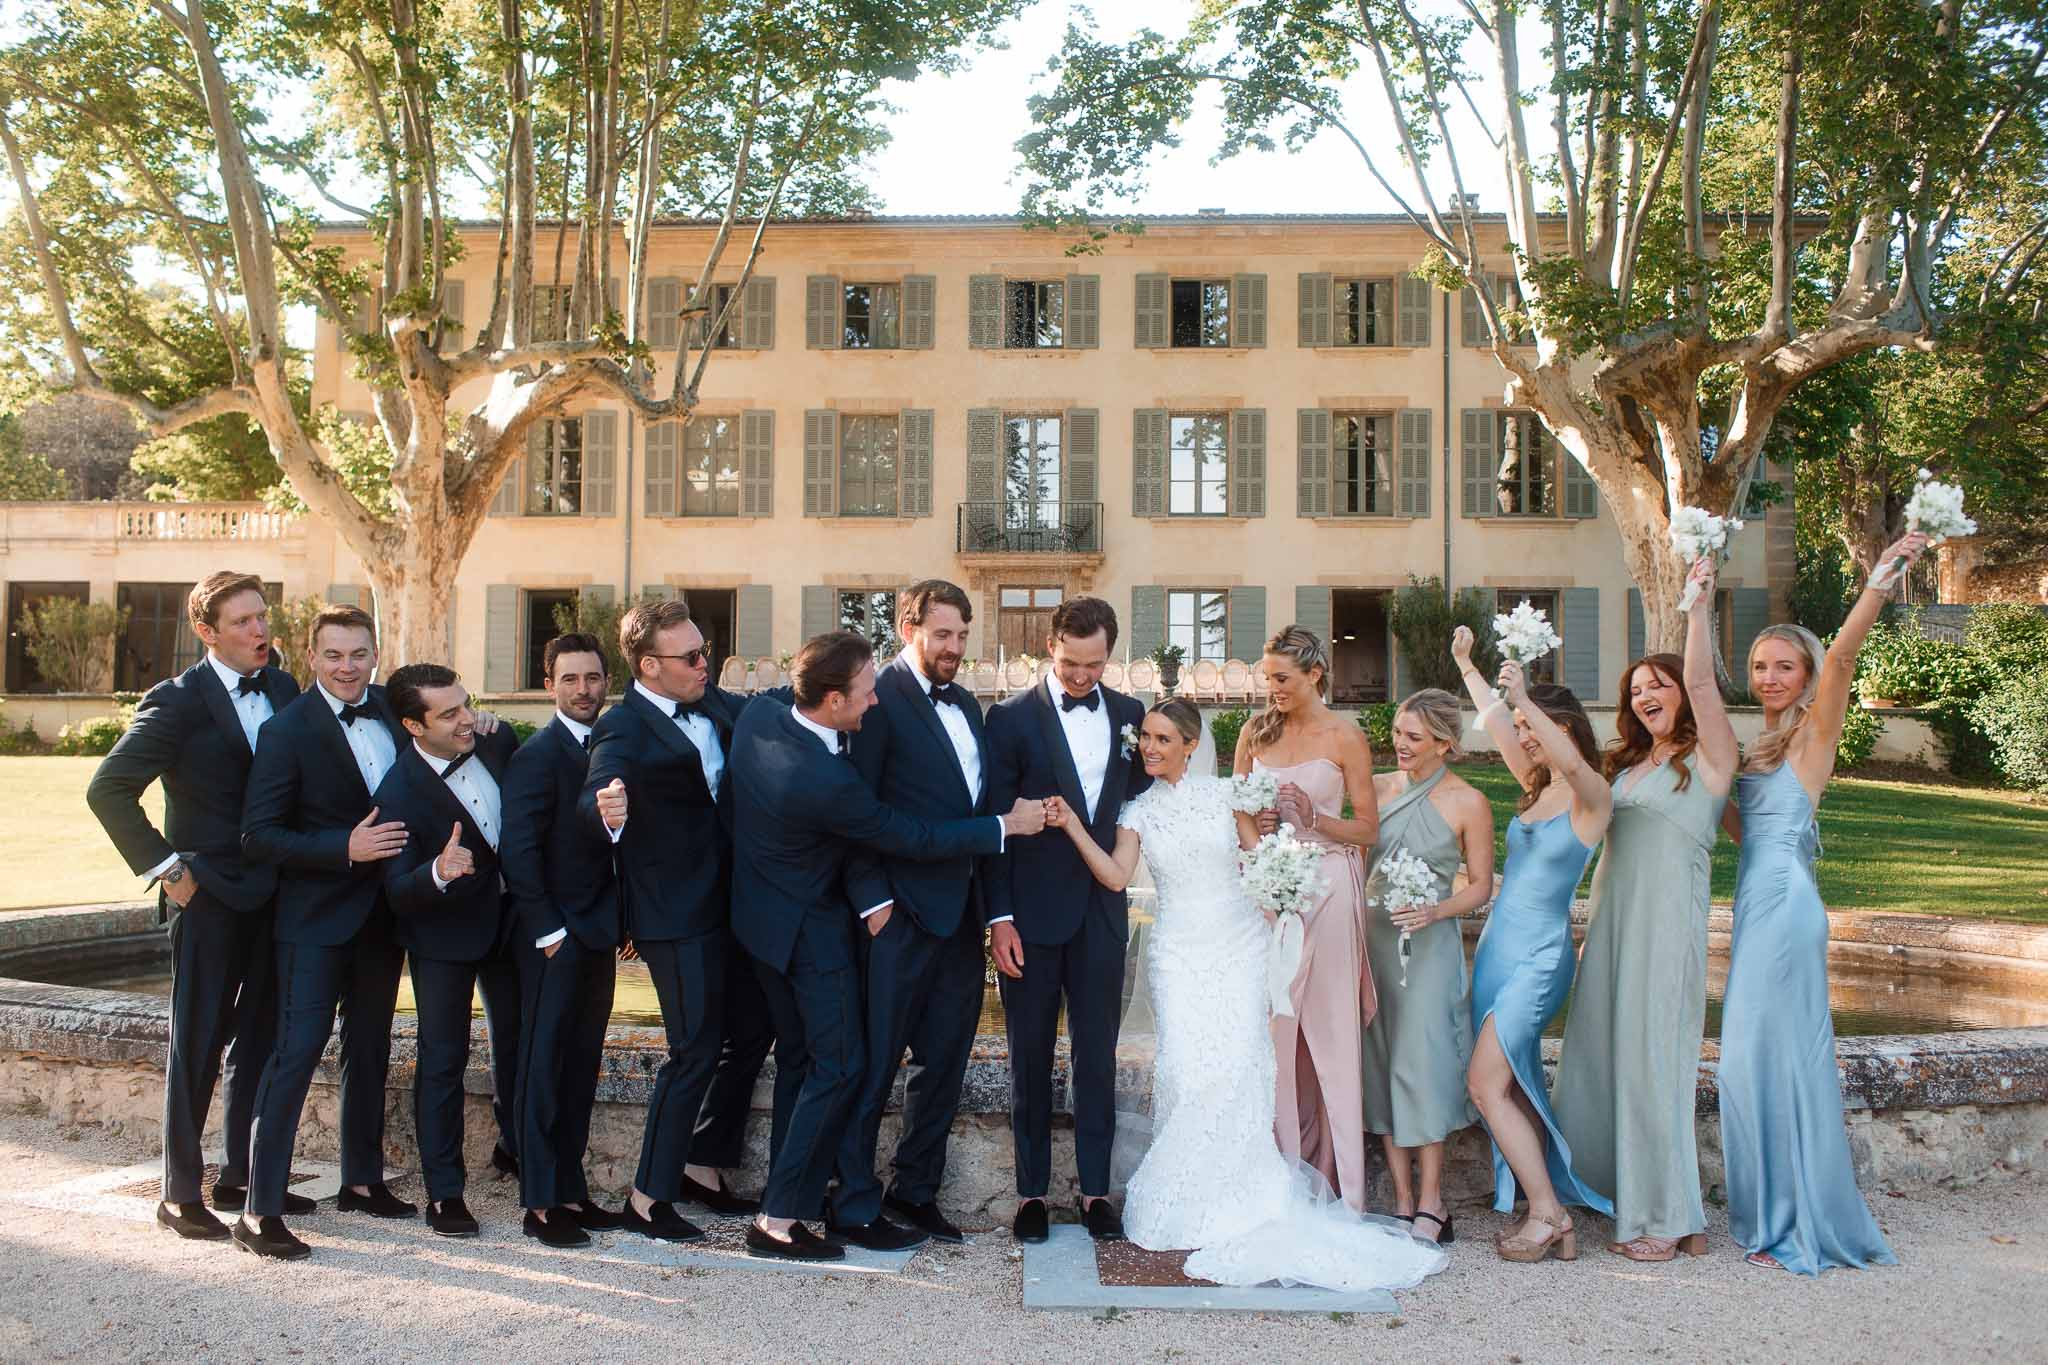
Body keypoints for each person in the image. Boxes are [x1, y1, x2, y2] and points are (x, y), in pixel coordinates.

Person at [1044, 698, 1448, 1292]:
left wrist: (1282, 886)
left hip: (1239, 949)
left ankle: (1246, 1194)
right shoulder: (1137, 811)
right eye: (1145, 739)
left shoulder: (1230, 796)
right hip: (1179, 955)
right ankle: (1191, 1195)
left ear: (1189, 744)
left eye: (1162, 739)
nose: (1149, 749)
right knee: (1189, 1069)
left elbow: (1258, 860)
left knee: (1239, 1068)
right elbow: (1114, 875)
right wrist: (1074, 827)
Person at [728, 631, 1044, 1261]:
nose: (876, 703)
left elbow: (727, 700)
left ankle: (802, 1202)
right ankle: (779, 1218)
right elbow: (911, 835)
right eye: (866, 694)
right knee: (841, 1067)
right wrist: (1004, 826)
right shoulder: (825, 781)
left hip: (758, 920)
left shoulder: (759, 714)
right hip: (808, 932)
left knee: (813, 1061)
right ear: (833, 700)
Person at [1719, 532, 1927, 1275]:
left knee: (1765, 1057)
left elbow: (1843, 658)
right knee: (1749, 1062)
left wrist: (1881, 576)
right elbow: (1744, 831)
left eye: (1784, 666)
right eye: (1759, 666)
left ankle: (1798, 1218)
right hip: (1756, 899)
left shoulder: (1813, 733)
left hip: (1784, 903)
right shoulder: (1761, 744)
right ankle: (1773, 1210)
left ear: (1806, 673)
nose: (1769, 676)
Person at [85, 571, 302, 1240]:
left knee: (265, 1040)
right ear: (207, 632)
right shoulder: (175, 701)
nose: (259, 630)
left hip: (277, 892)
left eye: (262, 617)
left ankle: (244, 1175)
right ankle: (179, 1193)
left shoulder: (285, 687)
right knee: (199, 1042)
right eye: (243, 621)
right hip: (206, 896)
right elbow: (109, 788)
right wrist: (169, 871)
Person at [1551, 557, 1737, 1263]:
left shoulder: (1712, 758)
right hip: (1613, 926)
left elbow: (1698, 678)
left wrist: (1696, 604)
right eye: (1637, 689)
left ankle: (1667, 1209)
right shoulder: (1627, 767)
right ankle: (1629, 1192)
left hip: (1666, 930)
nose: (1648, 694)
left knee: (1657, 1062)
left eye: (1657, 684)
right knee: (1601, 1057)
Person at [580, 597, 766, 1243]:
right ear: (649, 664)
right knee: (691, 1051)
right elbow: (599, 785)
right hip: (672, 915)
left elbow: (777, 722)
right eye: (689, 656)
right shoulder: (624, 726)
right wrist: (606, 807)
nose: (703, 662)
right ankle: (647, 1196)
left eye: (703, 650)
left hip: (732, 906)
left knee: (752, 1030)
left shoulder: (717, 704)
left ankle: (700, 1163)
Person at [236, 604, 415, 1259]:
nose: (347, 666)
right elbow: (258, 834)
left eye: (358, 653)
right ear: (311, 658)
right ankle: (258, 1210)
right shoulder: (287, 730)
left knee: (368, 1049)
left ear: (375, 654)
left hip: (381, 918)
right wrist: (345, 846)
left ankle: (363, 1181)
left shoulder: (394, 714)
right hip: (312, 921)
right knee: (296, 1053)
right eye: (334, 654)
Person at [829, 581, 994, 1247]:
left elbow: (973, 806)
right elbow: (853, 806)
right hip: (895, 916)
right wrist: (874, 904)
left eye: (961, 634)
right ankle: (852, 1201)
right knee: (874, 1062)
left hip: (958, 917)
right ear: (909, 628)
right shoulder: (879, 698)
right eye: (942, 635)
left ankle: (916, 1189)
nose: (954, 648)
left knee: (944, 1062)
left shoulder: (972, 705)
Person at [982, 596, 1151, 1244]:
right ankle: (1030, 1192)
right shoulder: (1011, 718)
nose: (1083, 676)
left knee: (1097, 1058)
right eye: (1072, 663)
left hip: (1102, 914)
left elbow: (1140, 803)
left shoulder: (1132, 716)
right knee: (1028, 1056)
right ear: (1050, 646)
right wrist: (998, 918)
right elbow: (996, 825)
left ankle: (1095, 1191)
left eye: (1096, 664)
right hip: (1028, 914)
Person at [1454, 626, 1614, 1263]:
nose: (1523, 738)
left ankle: (1548, 1214)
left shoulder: (1589, 798)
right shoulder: (1538, 786)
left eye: (1536, 727)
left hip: (1541, 958)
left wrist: (1528, 700)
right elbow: (1495, 725)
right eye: (1524, 730)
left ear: (1564, 727)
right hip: (1493, 951)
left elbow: (1572, 762)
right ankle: (1548, 1213)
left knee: (1484, 1083)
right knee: (1511, 1086)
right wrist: (1471, 667)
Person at [371, 664, 523, 1239]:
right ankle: (445, 1192)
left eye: (467, 704)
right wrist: (437, 871)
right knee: (443, 1059)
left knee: (520, 1043)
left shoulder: (496, 739)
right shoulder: (398, 790)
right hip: (442, 937)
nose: (467, 719)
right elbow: (395, 890)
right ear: (413, 724)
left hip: (511, 925)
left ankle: (517, 1151)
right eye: (450, 713)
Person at [1231, 625, 1378, 1211]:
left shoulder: (1346, 736)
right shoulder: (1253, 731)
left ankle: (1344, 1188)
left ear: (1316, 675)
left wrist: (1315, 817)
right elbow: (1238, 812)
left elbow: (1368, 828)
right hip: (1270, 892)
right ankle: (1278, 1176)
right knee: (1275, 1034)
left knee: (1333, 1034)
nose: (1272, 689)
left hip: (1330, 888)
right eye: (1267, 678)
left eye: (1283, 678)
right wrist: (1258, 843)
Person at [499, 633, 625, 1248]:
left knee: (581, 1067)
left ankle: (571, 1188)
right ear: (550, 685)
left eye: (593, 678)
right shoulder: (535, 757)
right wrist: (549, 932)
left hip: (600, 933)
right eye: (570, 679)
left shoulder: (614, 747)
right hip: (551, 939)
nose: (584, 690)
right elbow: (518, 852)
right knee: (542, 1068)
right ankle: (541, 1203)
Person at [1360, 688, 1494, 1245]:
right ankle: (1402, 1197)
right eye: (1397, 732)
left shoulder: (1469, 802)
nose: (1400, 745)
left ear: (1445, 742)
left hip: (1431, 948)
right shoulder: (1375, 788)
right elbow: (1354, 857)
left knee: (1426, 1066)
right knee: (1384, 1063)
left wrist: (1436, 909)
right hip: (1376, 943)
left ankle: (1434, 1202)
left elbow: (1483, 887)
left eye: (1414, 737)